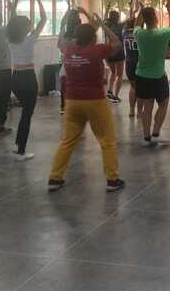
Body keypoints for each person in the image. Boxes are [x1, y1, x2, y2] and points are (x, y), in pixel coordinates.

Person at [48, 20, 125, 193]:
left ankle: (55, 177)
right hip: (95, 101)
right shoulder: (97, 50)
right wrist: (104, 25)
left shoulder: (68, 49)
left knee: (68, 141)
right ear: (93, 38)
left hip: (72, 102)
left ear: (76, 37)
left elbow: (60, 41)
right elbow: (117, 44)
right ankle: (112, 180)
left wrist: (64, 21)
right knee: (107, 141)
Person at [7, 0, 48, 160]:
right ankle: (21, 150)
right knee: (27, 114)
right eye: (29, 23)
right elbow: (44, 19)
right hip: (28, 79)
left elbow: (13, 22)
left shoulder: (11, 39)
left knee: (25, 112)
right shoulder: (30, 39)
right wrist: (39, 0)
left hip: (15, 79)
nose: (31, 25)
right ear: (25, 28)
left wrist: (14, 5)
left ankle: (19, 144)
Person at [134, 1, 170, 146]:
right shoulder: (163, 33)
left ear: (144, 19)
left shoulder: (139, 33)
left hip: (142, 75)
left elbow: (136, 24)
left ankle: (146, 137)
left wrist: (140, 12)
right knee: (163, 104)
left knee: (147, 105)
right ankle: (156, 133)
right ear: (155, 17)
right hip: (158, 76)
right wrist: (169, 10)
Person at [58, 6, 82, 114]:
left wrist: (67, 10)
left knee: (65, 86)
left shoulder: (64, 34)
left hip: (66, 63)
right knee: (78, 86)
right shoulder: (81, 35)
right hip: (79, 63)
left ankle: (63, 106)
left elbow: (60, 47)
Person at [122, 0, 142, 118]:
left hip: (129, 63)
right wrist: (141, 7)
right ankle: (139, 112)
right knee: (141, 88)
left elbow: (129, 22)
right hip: (139, 63)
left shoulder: (124, 32)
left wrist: (132, 10)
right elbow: (137, 21)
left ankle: (131, 110)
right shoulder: (138, 33)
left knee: (133, 87)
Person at [105, 9, 126, 104]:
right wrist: (133, 9)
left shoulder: (106, 25)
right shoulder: (119, 26)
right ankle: (116, 96)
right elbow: (129, 18)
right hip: (118, 51)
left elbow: (102, 21)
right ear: (117, 18)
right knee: (119, 74)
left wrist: (106, 9)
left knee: (113, 72)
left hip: (109, 52)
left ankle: (109, 91)